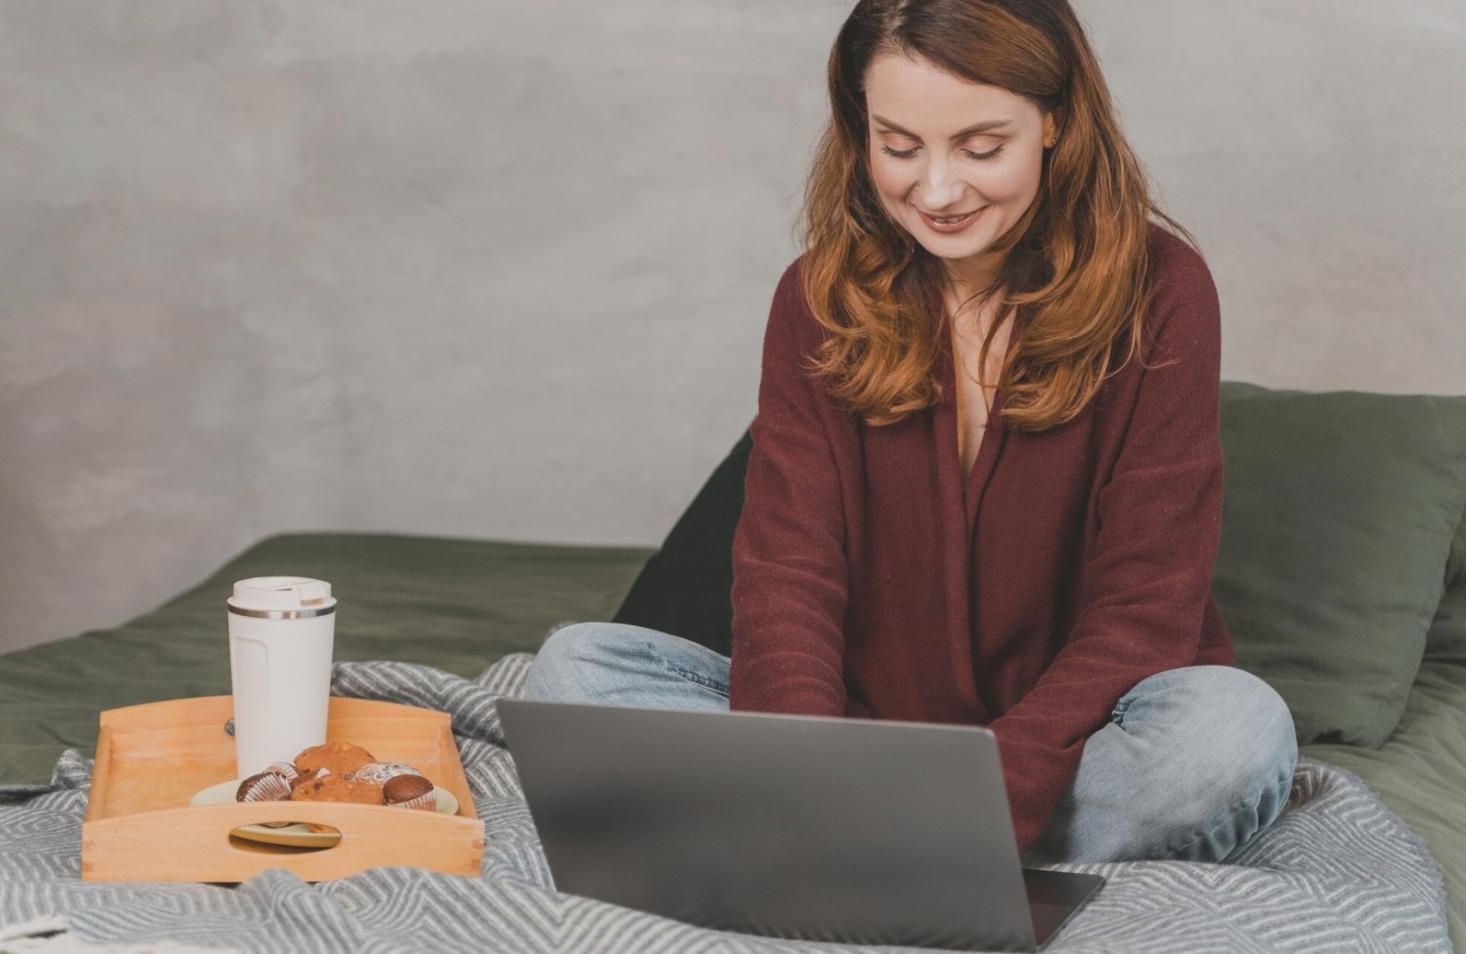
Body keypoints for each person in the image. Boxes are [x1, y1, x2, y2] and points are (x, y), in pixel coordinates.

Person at [524, 0, 1298, 866]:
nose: (936, 191)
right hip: (856, 742)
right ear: (861, 132)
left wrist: (991, 791)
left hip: (1070, 745)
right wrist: (813, 774)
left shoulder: (1166, 290)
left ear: (1057, 121)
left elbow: (1146, 607)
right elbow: (788, 572)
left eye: (980, 147)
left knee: (1233, 733)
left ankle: (874, 848)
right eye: (899, 146)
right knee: (574, 672)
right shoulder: (815, 297)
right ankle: (899, 848)